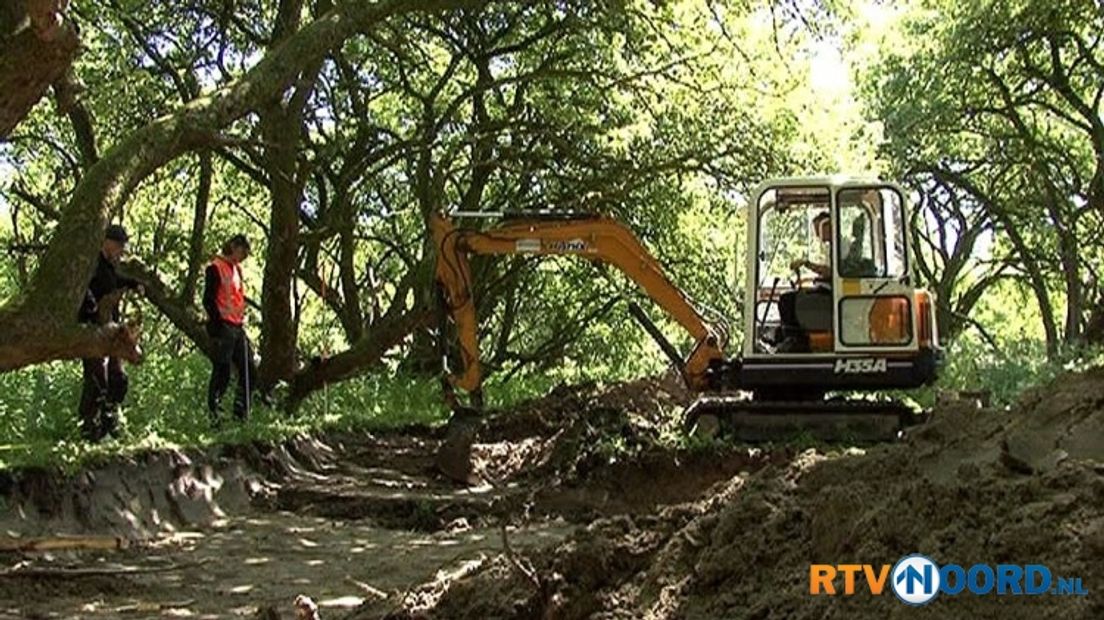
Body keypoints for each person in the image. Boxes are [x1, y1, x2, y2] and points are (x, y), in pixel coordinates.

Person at [77, 224, 142, 441]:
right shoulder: (91, 263)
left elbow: (114, 281)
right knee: (97, 378)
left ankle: (109, 422)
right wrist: (92, 307)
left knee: (119, 378)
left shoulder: (109, 265)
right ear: (108, 242)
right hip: (92, 329)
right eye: (119, 246)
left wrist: (133, 284)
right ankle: (88, 428)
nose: (121, 251)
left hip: (111, 329)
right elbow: (83, 288)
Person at [203, 234, 259, 426]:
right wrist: (217, 326)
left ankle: (240, 413)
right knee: (222, 371)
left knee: (249, 370)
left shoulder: (237, 270)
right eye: (243, 251)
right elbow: (208, 300)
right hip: (223, 327)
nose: (244, 256)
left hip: (237, 326)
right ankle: (214, 415)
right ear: (234, 247)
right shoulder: (215, 268)